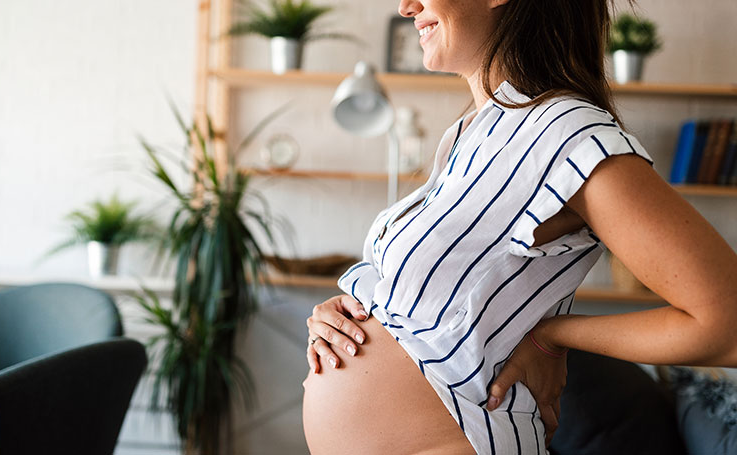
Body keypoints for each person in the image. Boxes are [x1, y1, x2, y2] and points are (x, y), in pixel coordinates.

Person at [301, 1, 737, 454]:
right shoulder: (472, 133)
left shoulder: (569, 133)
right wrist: (348, 312)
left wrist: (552, 335)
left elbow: (726, 324)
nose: (406, 6)